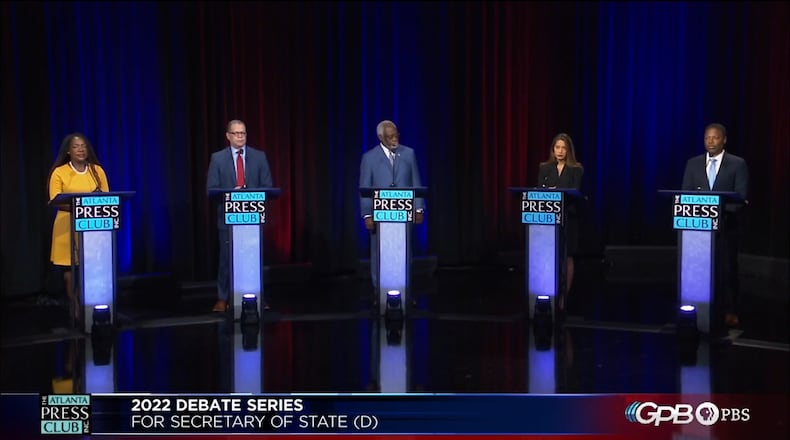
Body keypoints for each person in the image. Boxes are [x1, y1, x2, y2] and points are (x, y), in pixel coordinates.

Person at [681, 123, 749, 330]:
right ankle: (700, 307)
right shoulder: (692, 164)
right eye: (707, 138)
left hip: (726, 228)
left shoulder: (737, 164)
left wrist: (716, 211)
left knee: (727, 269)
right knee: (699, 270)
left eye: (715, 138)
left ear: (724, 140)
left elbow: (741, 197)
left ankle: (730, 311)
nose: (710, 141)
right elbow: (686, 194)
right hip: (698, 231)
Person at [206, 120, 273, 312]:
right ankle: (222, 298)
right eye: (236, 133)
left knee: (255, 258)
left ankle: (259, 296)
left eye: (243, 133)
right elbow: (211, 189)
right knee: (226, 260)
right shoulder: (217, 159)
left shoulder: (259, 157)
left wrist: (248, 194)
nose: (240, 137)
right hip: (228, 219)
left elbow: (267, 185)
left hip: (252, 219)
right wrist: (231, 193)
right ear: (228, 136)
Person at [359, 120, 424, 304]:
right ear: (381, 137)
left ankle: (406, 292)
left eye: (396, 135)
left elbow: (416, 181)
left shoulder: (409, 154)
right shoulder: (369, 158)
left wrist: (419, 208)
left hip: (403, 213)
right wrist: (367, 214)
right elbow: (365, 187)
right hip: (380, 215)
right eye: (390, 137)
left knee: (405, 252)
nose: (394, 139)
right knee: (378, 253)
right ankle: (377, 292)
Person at [47, 133, 110, 321]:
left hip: (93, 229)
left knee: (88, 273)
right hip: (67, 228)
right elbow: (55, 200)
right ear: (68, 151)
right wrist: (82, 206)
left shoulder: (97, 171)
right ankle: (75, 310)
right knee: (70, 276)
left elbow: (106, 197)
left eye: (83, 146)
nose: (81, 149)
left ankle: (91, 311)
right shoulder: (59, 172)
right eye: (76, 147)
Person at [537, 133, 583, 312]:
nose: (560, 151)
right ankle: (550, 293)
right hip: (549, 219)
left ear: (568, 150)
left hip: (568, 217)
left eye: (564, 148)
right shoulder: (545, 168)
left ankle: (564, 296)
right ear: (553, 149)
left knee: (567, 256)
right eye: (557, 147)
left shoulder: (576, 169)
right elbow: (540, 189)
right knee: (550, 256)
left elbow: (575, 191)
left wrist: (558, 192)